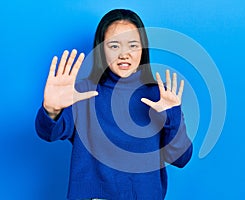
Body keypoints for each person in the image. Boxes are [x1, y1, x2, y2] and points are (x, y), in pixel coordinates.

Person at [35, 9, 193, 200]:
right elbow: (48, 133)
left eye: (132, 45)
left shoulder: (160, 96)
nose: (124, 54)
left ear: (143, 49)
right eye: (114, 45)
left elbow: (181, 159)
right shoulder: (82, 93)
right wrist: (51, 109)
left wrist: (172, 117)